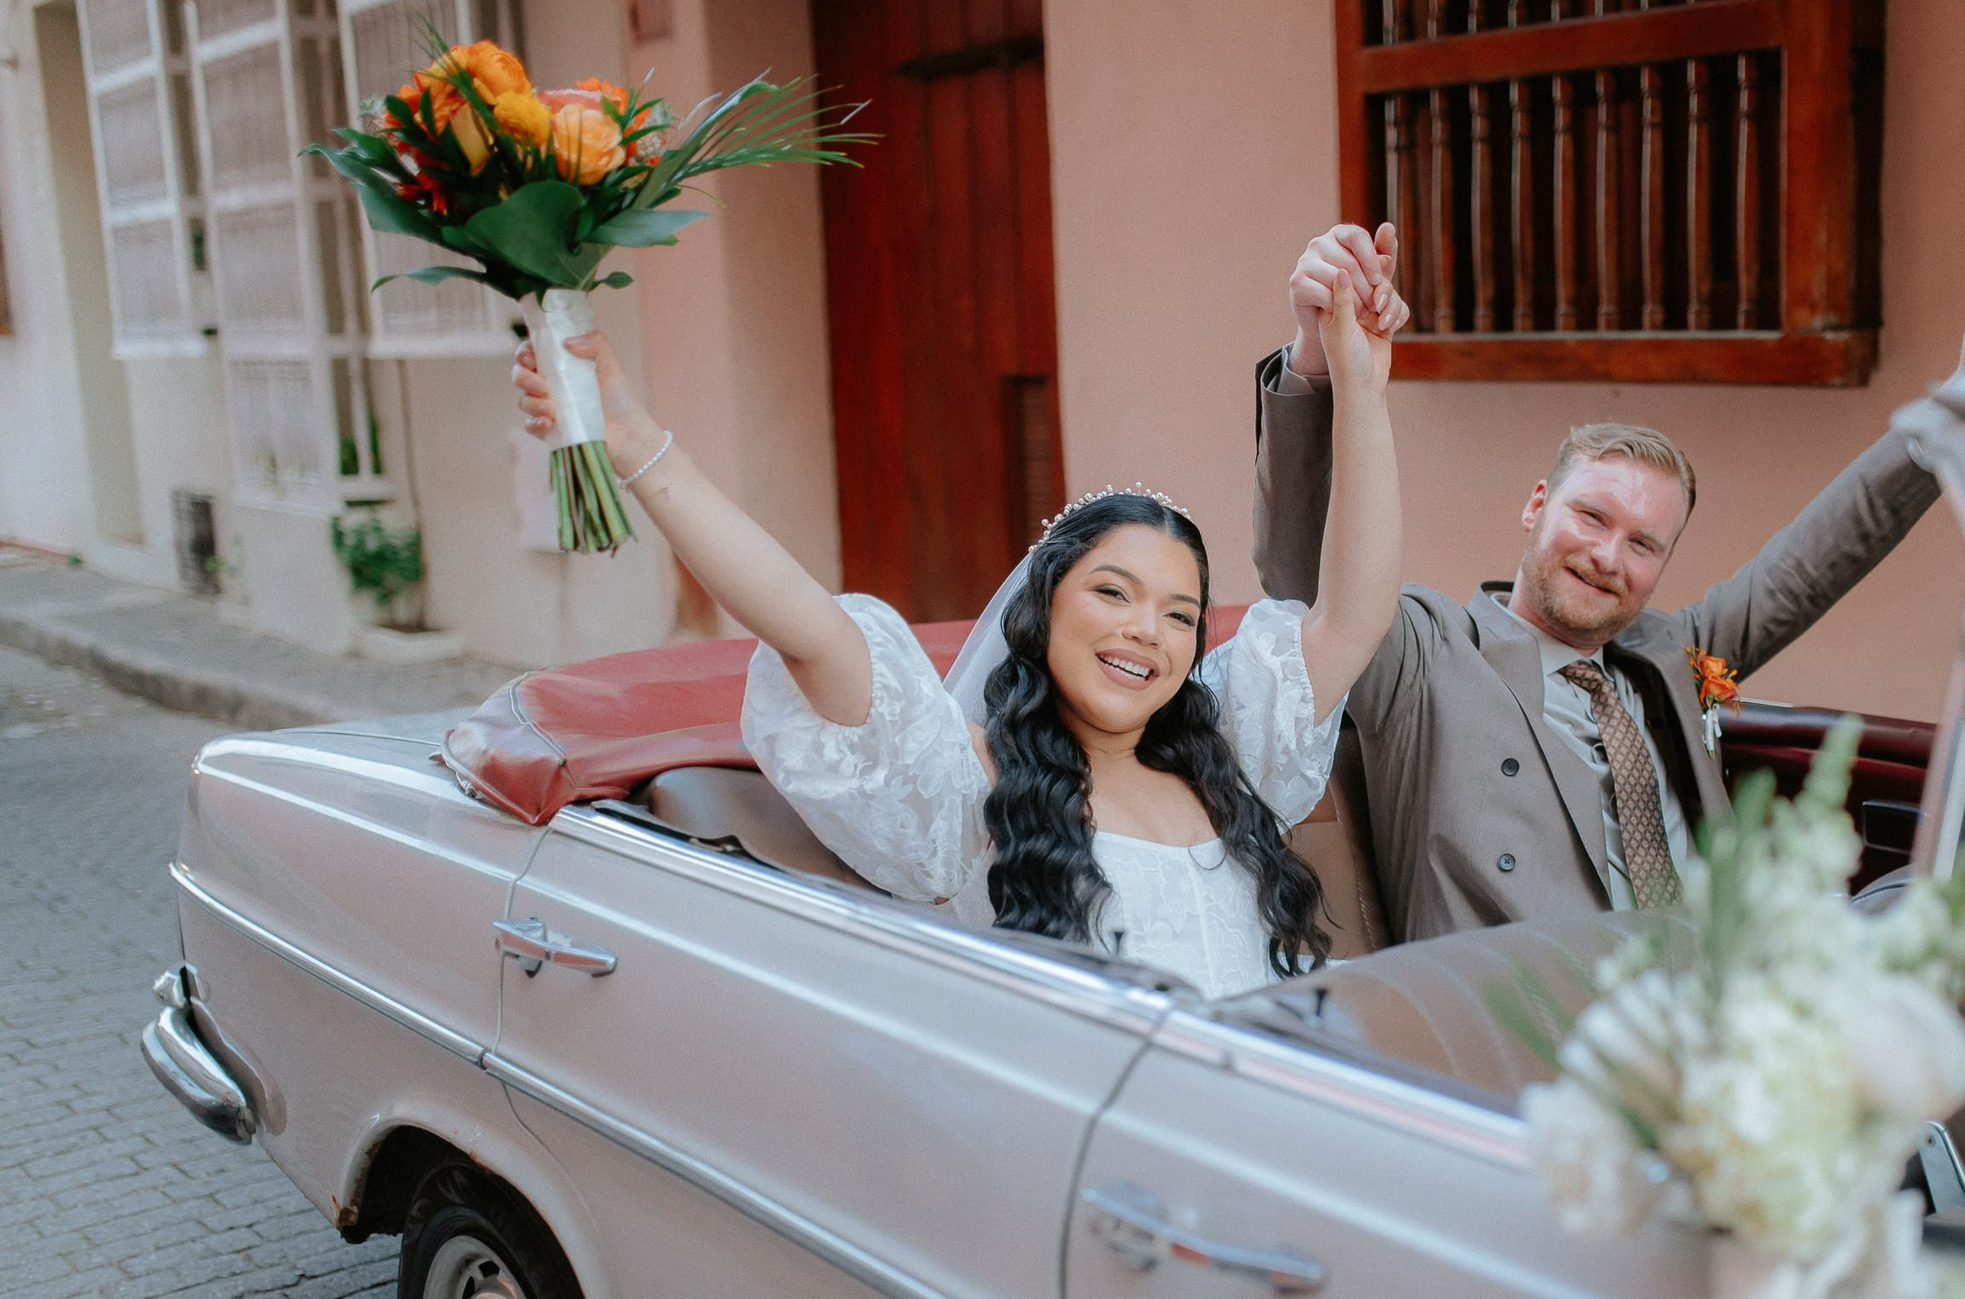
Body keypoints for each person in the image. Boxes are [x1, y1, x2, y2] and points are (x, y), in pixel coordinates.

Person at [510, 273, 1404, 997]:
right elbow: (808, 627)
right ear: (1043, 605)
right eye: (1113, 592)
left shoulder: (1230, 757)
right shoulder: (966, 779)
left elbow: (1353, 615)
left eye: (1179, 613)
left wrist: (1358, 379)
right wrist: (636, 445)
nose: (1148, 631)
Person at [1253, 221, 1965, 944]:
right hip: (1534, 1031)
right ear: (1536, 505)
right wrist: (1320, 359)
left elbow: (1821, 554)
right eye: (1591, 518)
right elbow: (1304, 571)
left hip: (1720, 999)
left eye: (1642, 544)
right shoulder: (1427, 650)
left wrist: (1953, 413)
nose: (1607, 556)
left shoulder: (1672, 649)